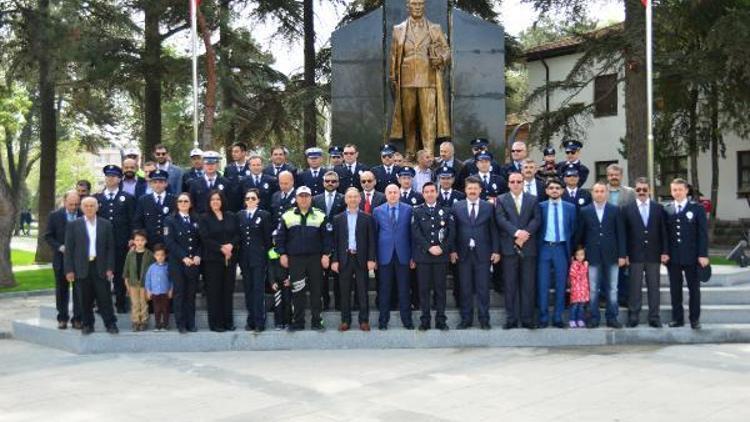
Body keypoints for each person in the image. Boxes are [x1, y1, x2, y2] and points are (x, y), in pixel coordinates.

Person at [275, 186, 332, 331]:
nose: (304, 199)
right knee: (297, 291)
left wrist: (326, 254)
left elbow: (327, 238)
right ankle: (298, 322)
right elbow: (280, 237)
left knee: (316, 291)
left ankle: (316, 321)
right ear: (296, 198)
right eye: (301, 196)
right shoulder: (287, 215)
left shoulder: (320, 215)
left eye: (307, 196)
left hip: (315, 259)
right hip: (295, 260)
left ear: (311, 198)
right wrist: (282, 254)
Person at [63, 197, 118, 335]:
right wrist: (69, 270)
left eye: (92, 205)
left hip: (101, 266)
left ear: (97, 207)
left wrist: (110, 267)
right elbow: (69, 249)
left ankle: (110, 324)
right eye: (86, 206)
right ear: (82, 208)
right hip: (82, 267)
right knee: (84, 299)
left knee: (104, 298)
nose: (89, 208)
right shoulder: (74, 225)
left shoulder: (106, 224)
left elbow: (110, 248)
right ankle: (87, 324)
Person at [451, 176, 500, 329]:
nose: (472, 191)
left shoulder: (488, 207)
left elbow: (494, 230)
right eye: (469, 188)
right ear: (465, 190)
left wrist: (496, 250)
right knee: (465, 289)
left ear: (480, 190)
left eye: (475, 188)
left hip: (483, 254)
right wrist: (452, 250)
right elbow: (453, 231)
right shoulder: (457, 206)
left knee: (483, 288)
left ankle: (484, 319)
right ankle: (466, 319)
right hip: (463, 254)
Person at [576, 181, 626, 329]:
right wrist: (579, 253)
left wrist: (622, 255)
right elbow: (580, 234)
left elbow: (621, 234)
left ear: (607, 193)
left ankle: (612, 317)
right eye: (596, 191)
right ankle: (593, 318)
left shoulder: (615, 210)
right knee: (593, 289)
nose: (599, 194)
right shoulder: (585, 211)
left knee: (612, 288)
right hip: (592, 255)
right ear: (592, 193)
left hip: (612, 255)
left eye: (602, 191)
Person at [495, 172, 541, 329]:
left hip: (528, 247)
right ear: (508, 183)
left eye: (518, 181)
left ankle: (527, 319)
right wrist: (516, 233)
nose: (515, 184)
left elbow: (537, 219)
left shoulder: (533, 199)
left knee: (528, 285)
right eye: (512, 181)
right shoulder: (501, 200)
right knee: (510, 285)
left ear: (523, 183)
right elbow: (501, 220)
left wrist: (525, 234)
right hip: (509, 248)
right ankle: (511, 319)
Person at [623, 178, 669, 328]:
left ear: (650, 190)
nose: (641, 192)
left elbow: (663, 231)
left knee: (654, 287)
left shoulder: (658, 208)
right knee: (634, 287)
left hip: (653, 254)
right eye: (638, 189)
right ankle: (633, 316)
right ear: (635, 191)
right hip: (634, 254)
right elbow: (625, 234)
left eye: (644, 189)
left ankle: (654, 317)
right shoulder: (627, 209)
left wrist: (665, 251)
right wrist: (625, 254)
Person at [664, 178, 709, 330]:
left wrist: (703, 254)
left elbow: (702, 234)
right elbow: (665, 234)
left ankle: (694, 319)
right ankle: (677, 319)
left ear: (686, 191)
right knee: (675, 290)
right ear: (671, 191)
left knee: (694, 289)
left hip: (692, 256)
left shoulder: (696, 208)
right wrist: (665, 253)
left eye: (680, 189)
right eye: (674, 190)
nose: (677, 192)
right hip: (674, 258)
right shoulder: (667, 209)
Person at [331, 188, 377, 331]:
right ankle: (345, 320)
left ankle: (363, 320)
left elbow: (371, 241)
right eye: (349, 197)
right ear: (345, 199)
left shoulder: (367, 217)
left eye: (355, 197)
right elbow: (335, 241)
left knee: (362, 290)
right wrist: (335, 260)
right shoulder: (338, 219)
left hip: (361, 258)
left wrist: (371, 258)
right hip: (344, 258)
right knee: (344, 291)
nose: (352, 199)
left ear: (359, 199)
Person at [412, 182, 455, 331]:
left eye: (432, 191)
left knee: (440, 290)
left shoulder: (447, 211)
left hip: (440, 257)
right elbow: (416, 233)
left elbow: (451, 233)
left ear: (437, 193)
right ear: (423, 194)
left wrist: (441, 248)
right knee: (423, 290)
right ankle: (425, 320)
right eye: (426, 192)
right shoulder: (416, 211)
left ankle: (441, 320)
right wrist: (429, 247)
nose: (430, 194)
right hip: (424, 256)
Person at [94, 164, 136, 314]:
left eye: (113, 176)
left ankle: (120, 303)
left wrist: (132, 238)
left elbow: (133, 220)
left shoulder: (128, 198)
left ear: (119, 179)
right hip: (101, 244)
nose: (109, 179)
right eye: (107, 176)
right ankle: (101, 303)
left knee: (119, 274)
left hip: (120, 243)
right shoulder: (97, 198)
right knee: (101, 274)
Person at [536, 178, 576, 329]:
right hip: (544, 248)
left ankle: (558, 317)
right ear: (546, 191)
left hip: (561, 248)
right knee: (543, 284)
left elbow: (573, 229)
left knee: (561, 284)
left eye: (557, 188)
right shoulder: (540, 207)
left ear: (562, 190)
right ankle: (543, 317)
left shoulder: (570, 208)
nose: (554, 190)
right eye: (551, 188)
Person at [373, 184, 414, 330]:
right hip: (384, 256)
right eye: (389, 192)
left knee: (404, 289)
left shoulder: (409, 210)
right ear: (385, 194)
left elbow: (412, 235)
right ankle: (383, 321)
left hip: (403, 255)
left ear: (399, 194)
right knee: (384, 289)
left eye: (395, 192)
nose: (392, 195)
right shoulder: (377, 211)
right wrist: (375, 258)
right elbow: (374, 236)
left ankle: (407, 320)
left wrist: (412, 257)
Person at [198, 190, 239, 332]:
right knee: (214, 292)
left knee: (228, 291)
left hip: (230, 259)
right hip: (212, 260)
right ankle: (216, 323)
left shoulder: (231, 216)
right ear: (209, 202)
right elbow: (205, 238)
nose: (215, 202)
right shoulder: (204, 218)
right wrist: (221, 248)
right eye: (212, 199)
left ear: (222, 201)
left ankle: (228, 321)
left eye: (218, 199)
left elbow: (237, 234)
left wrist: (231, 246)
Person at [164, 192, 202, 333]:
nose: (183, 204)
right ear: (177, 204)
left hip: (193, 263)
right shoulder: (170, 220)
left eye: (186, 201)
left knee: (191, 294)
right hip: (178, 263)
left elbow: (201, 240)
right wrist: (183, 257)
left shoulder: (196, 218)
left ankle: (191, 323)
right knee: (180, 293)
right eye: (180, 201)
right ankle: (181, 324)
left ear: (190, 203)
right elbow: (169, 242)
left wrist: (198, 255)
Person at [44, 190, 82, 329]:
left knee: (79, 290)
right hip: (61, 259)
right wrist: (60, 247)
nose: (73, 207)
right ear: (65, 202)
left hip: (79, 260)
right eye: (71, 204)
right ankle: (62, 318)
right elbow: (48, 236)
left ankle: (77, 318)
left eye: (76, 204)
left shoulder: (83, 215)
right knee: (61, 290)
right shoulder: (55, 216)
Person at [237, 189, 273, 332]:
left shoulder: (264, 215)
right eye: (247, 198)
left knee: (258, 290)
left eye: (253, 198)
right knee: (248, 290)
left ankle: (259, 321)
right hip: (245, 258)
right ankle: (251, 319)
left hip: (258, 258)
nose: (250, 201)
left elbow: (267, 239)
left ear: (258, 200)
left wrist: (266, 257)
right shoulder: (240, 215)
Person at [313, 171, 346, 310]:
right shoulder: (315, 199)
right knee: (322, 276)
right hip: (321, 242)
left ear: (338, 183)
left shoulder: (344, 198)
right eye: (327, 181)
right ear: (323, 182)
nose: (330, 183)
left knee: (339, 275)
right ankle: (324, 302)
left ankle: (339, 303)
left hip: (339, 241)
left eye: (333, 181)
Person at [133, 169, 175, 247]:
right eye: (154, 182)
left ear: (166, 184)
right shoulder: (143, 200)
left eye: (161, 182)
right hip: (149, 242)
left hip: (169, 242)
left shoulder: (173, 200)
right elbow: (138, 221)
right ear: (150, 184)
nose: (157, 185)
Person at [122, 230, 153, 331]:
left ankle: (143, 321)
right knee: (135, 303)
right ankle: (136, 321)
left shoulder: (149, 254)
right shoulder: (130, 254)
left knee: (143, 303)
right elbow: (126, 270)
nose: (139, 242)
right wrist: (127, 284)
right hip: (133, 284)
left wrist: (150, 286)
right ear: (133, 241)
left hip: (144, 284)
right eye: (137, 240)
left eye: (142, 240)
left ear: (146, 241)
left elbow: (152, 270)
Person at [144, 244, 173, 331]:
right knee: (157, 310)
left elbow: (172, 279)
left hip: (165, 292)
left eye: (162, 255)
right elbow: (147, 280)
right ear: (154, 256)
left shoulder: (168, 267)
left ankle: (165, 325)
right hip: (155, 293)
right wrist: (148, 291)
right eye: (157, 255)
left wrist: (171, 290)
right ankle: (157, 325)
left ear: (165, 256)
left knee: (165, 310)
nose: (160, 257)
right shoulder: (151, 268)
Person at [223, 142, 250, 211]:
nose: (233, 154)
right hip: (232, 205)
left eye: (236, 152)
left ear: (244, 153)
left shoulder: (251, 167)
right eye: (232, 152)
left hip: (248, 204)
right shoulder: (228, 168)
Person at [568, 246, 590, 329]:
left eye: (582, 255)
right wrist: (585, 267)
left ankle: (580, 319)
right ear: (575, 256)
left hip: (583, 290)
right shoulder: (574, 264)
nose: (580, 257)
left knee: (581, 306)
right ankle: (572, 319)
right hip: (576, 290)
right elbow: (577, 275)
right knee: (574, 306)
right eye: (578, 255)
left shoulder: (584, 264)